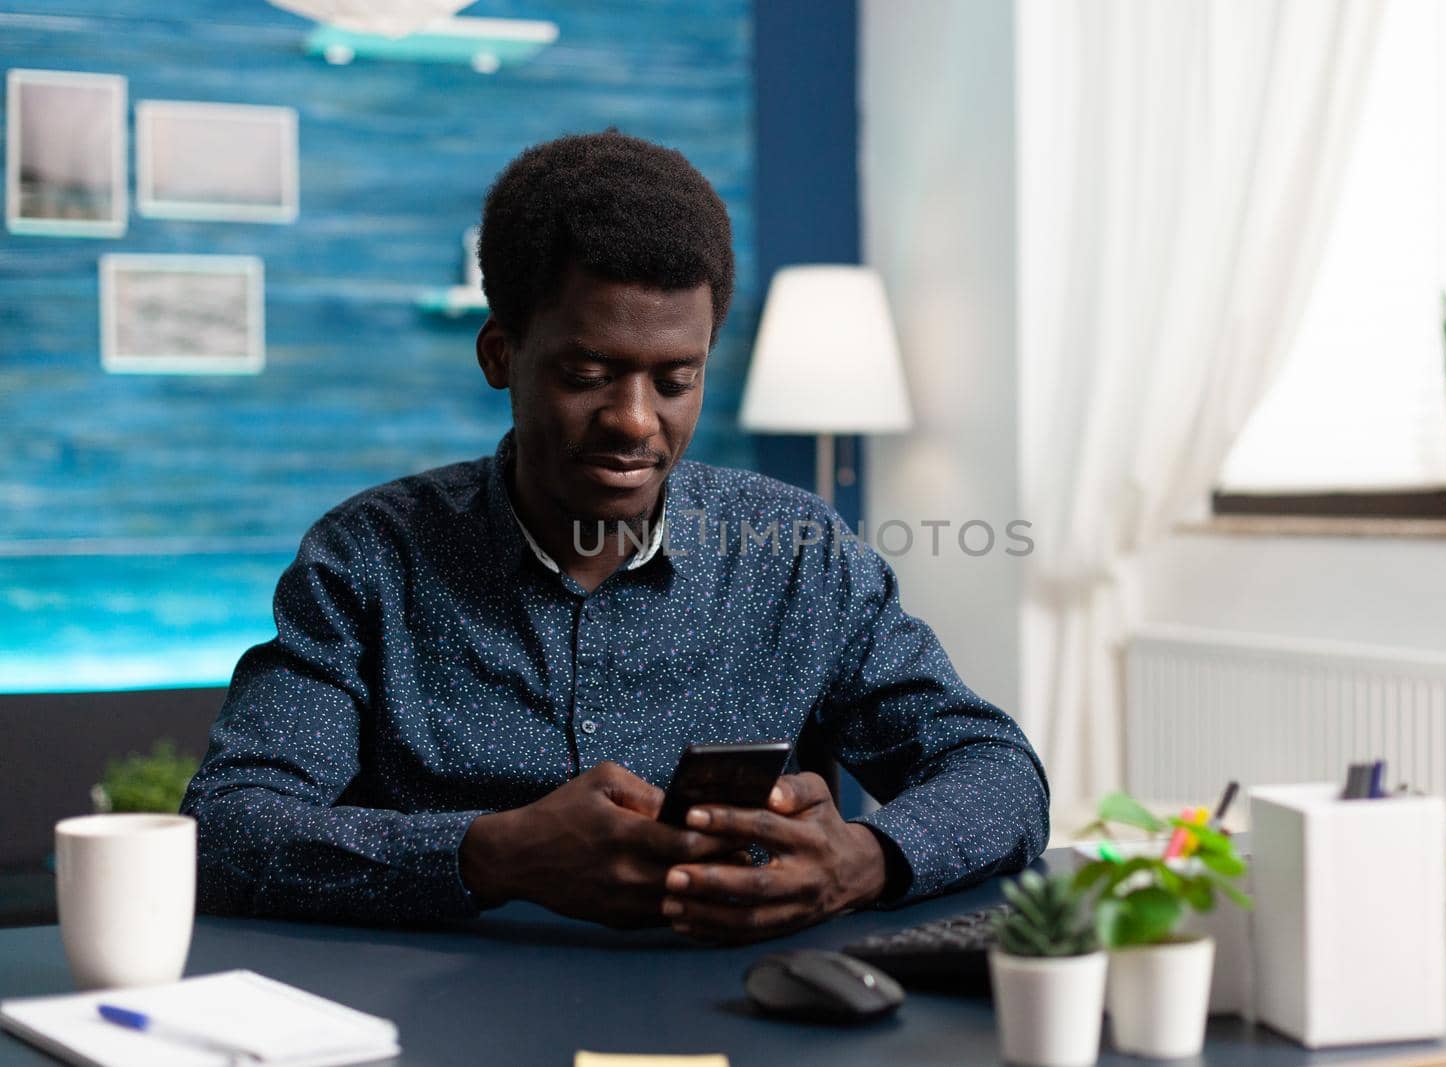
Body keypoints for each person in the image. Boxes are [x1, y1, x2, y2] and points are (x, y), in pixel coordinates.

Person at [181, 130, 1049, 943]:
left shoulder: (797, 555)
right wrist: (492, 852)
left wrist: (863, 861)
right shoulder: (369, 560)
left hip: (741, 1009)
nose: (636, 422)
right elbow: (225, 827)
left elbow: (999, 772)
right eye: (588, 375)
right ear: (498, 354)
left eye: (676, 379)